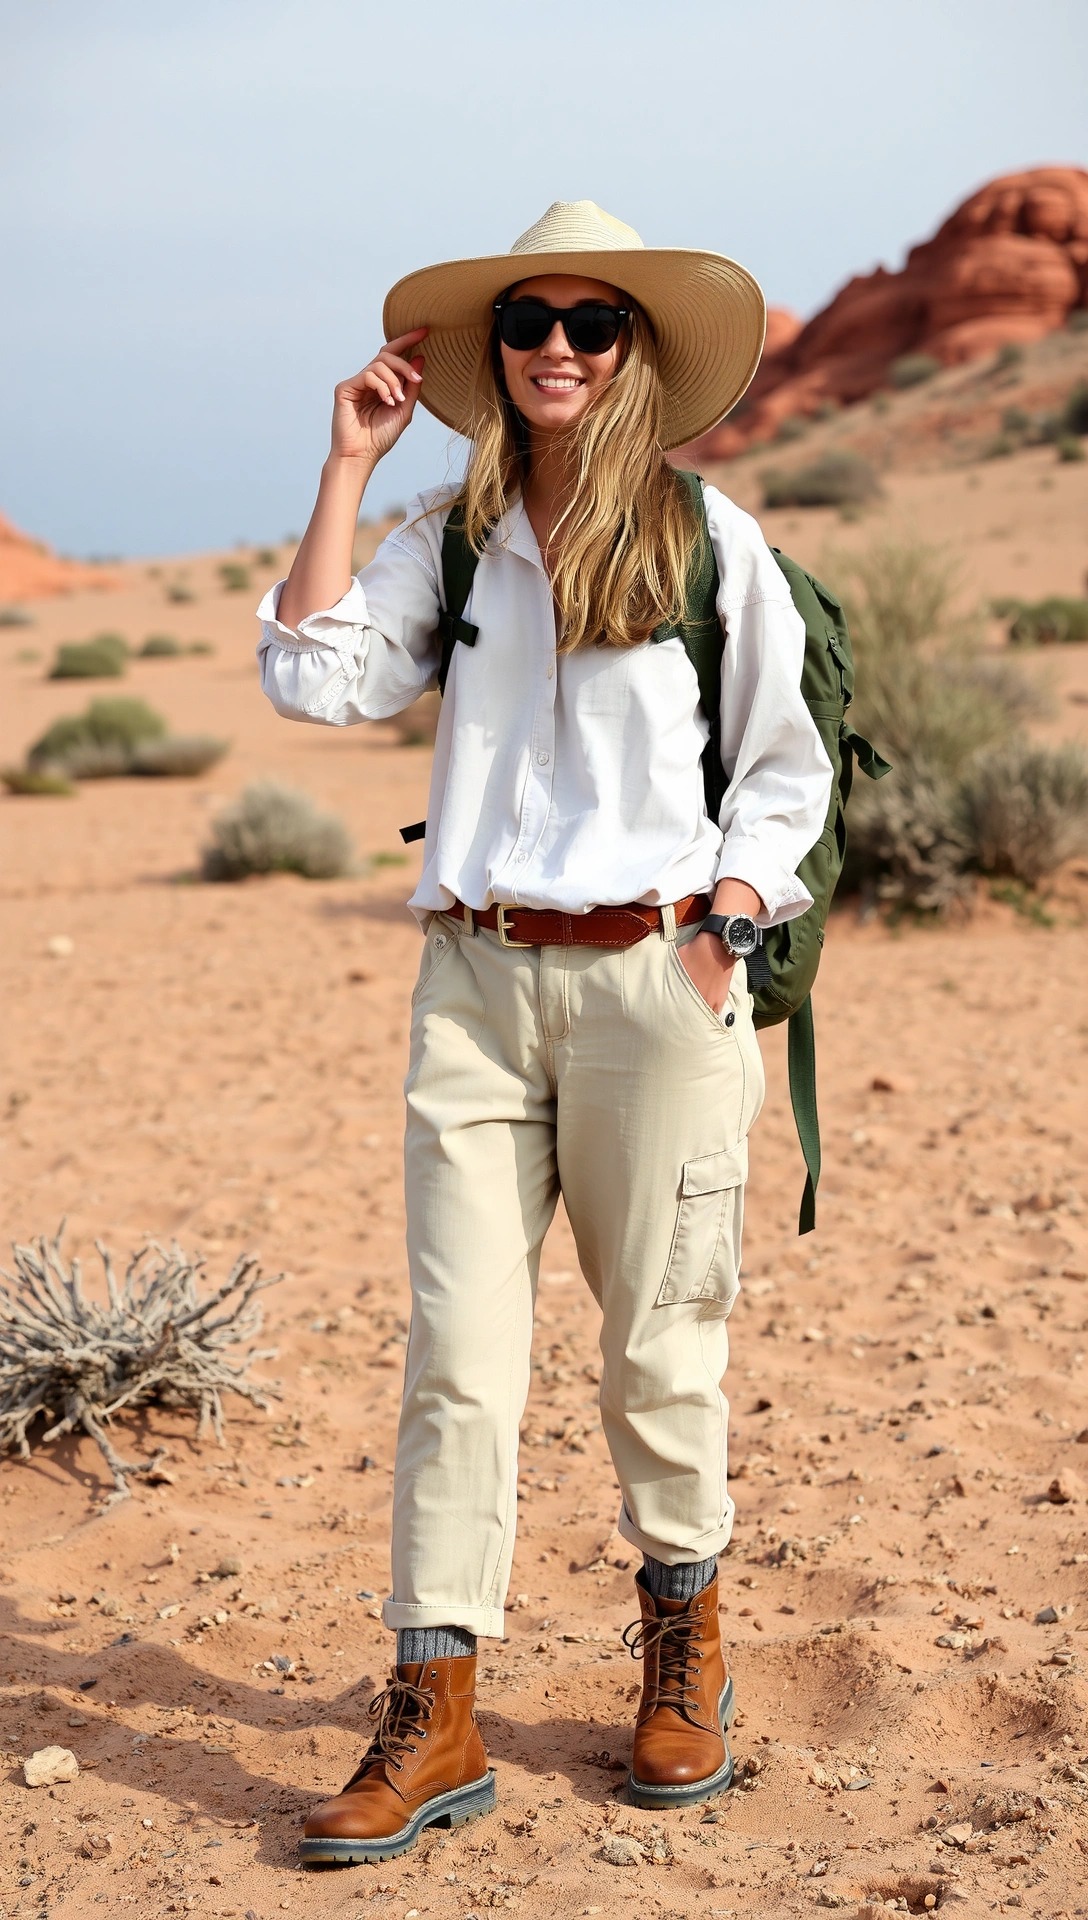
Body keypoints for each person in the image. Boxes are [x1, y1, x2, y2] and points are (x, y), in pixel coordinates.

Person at [257, 200, 833, 1864]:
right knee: (459, 1361)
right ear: (494, 351)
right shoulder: (451, 537)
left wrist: (727, 929)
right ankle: (436, 1707)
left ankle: (684, 1652)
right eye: (530, 319)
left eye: (593, 323)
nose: (559, 346)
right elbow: (317, 681)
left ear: (636, 353)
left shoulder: (711, 542)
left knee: (659, 1343)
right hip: (475, 989)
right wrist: (346, 470)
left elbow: (783, 767)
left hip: (657, 987)